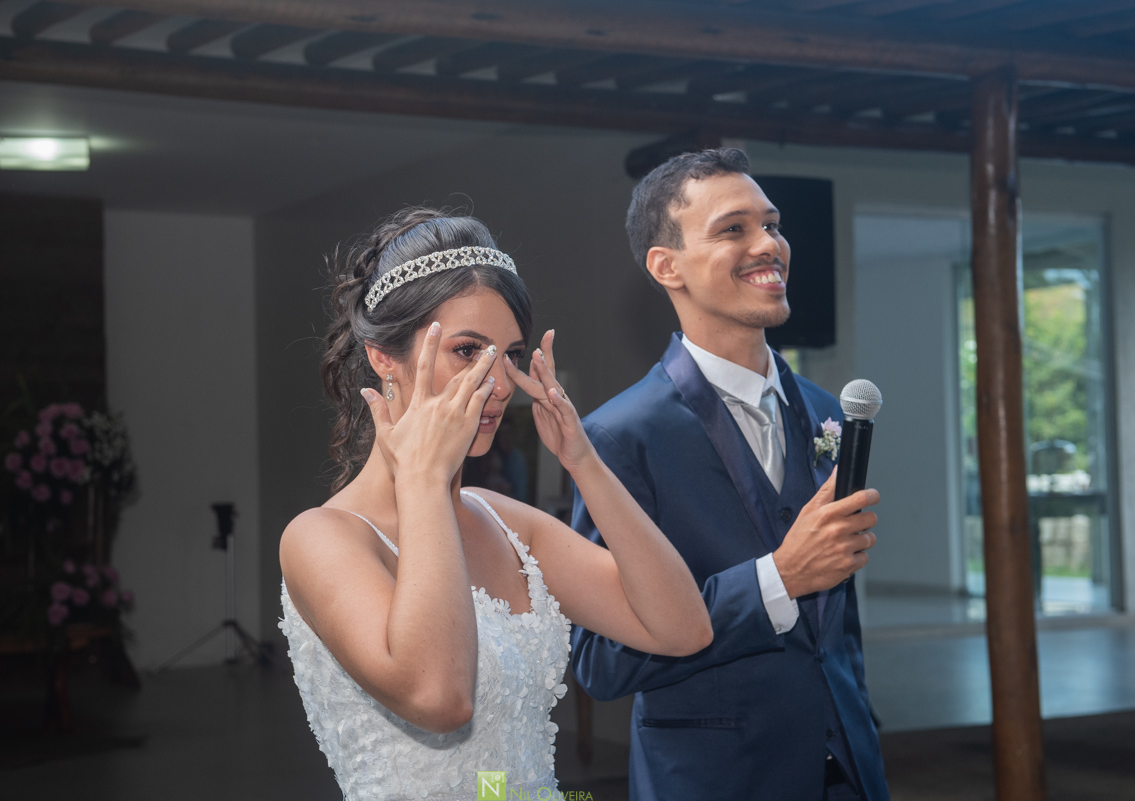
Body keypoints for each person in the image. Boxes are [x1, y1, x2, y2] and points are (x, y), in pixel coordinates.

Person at [278, 207, 712, 801]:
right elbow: (440, 699)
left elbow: (683, 629)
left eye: (509, 353)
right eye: (467, 351)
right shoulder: (323, 537)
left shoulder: (506, 522)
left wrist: (583, 461)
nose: (501, 385)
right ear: (383, 357)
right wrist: (423, 480)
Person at [570, 148, 890, 801]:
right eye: (733, 229)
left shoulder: (829, 413)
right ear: (667, 266)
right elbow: (600, 661)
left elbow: (837, 622)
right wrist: (777, 580)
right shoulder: (618, 437)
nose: (768, 244)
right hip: (715, 779)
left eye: (771, 224)